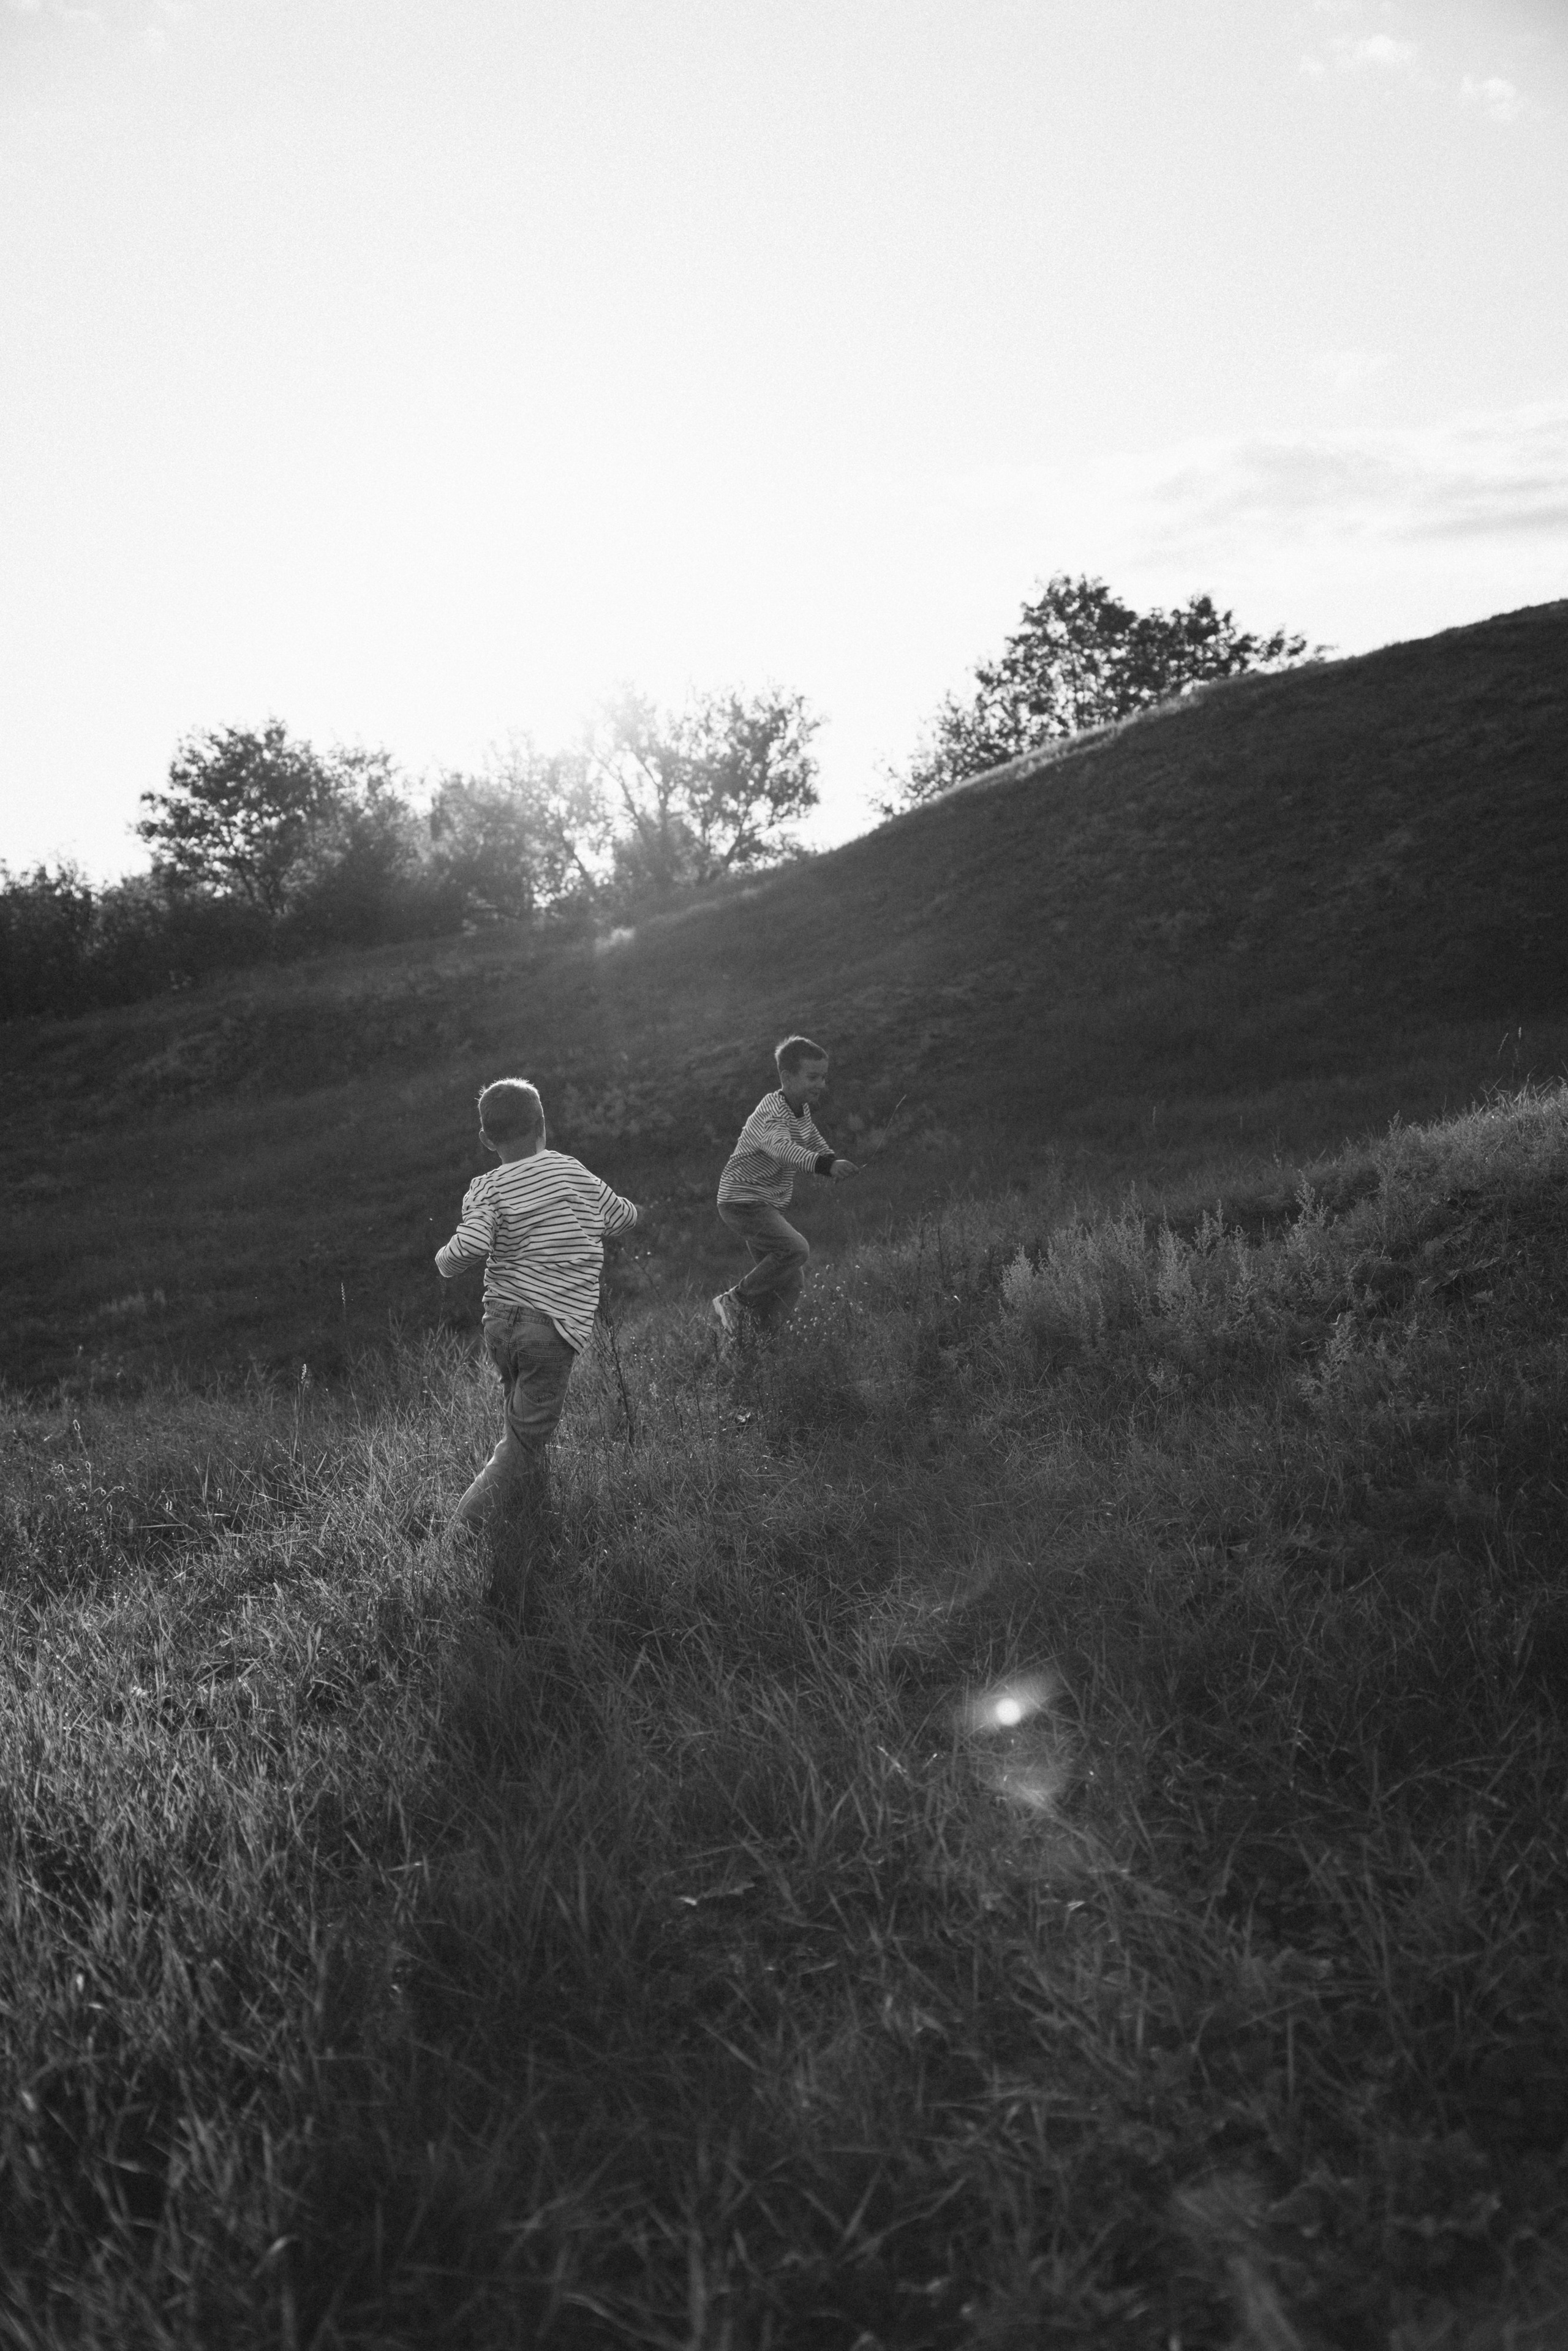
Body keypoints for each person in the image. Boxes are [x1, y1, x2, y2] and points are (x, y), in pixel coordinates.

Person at [434, 1077, 639, 1603]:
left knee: (519, 1417)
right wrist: (624, 1215)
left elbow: (470, 1245)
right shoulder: (570, 1170)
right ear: (543, 1123)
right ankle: (458, 1536)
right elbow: (620, 1217)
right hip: (551, 1329)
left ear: (487, 1139)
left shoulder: (485, 1187)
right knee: (522, 1442)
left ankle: (528, 1505)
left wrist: (444, 1259)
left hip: (500, 1325)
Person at [712, 1035, 858, 1336]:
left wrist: (831, 1160)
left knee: (790, 1281)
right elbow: (782, 1149)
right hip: (742, 1201)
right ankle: (734, 1301)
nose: (821, 1084)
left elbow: (811, 1137)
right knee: (796, 1249)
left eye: (823, 1077)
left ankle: (756, 1341)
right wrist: (825, 1166)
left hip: (762, 1203)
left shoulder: (799, 1108)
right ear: (787, 1077)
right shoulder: (772, 1112)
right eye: (812, 1077)